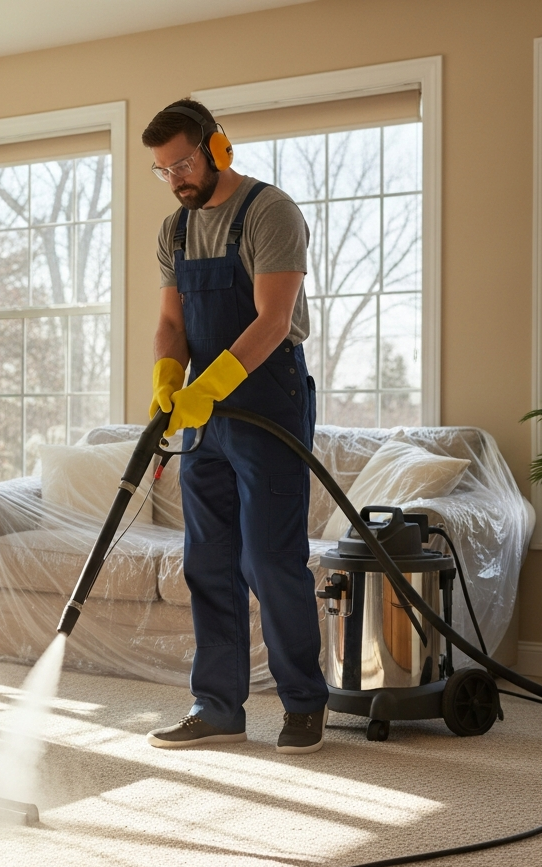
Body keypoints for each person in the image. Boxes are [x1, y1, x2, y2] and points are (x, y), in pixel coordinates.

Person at [143, 99, 328, 754]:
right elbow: (172, 323)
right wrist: (170, 379)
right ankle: (217, 706)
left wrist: (210, 387)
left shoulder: (269, 212)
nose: (175, 179)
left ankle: (305, 703)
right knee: (209, 561)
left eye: (184, 163)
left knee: (269, 559)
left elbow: (273, 320)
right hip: (203, 415)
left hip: (267, 401)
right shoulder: (174, 230)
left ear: (218, 148)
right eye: (163, 170)